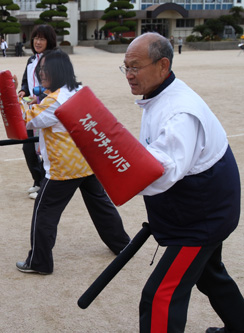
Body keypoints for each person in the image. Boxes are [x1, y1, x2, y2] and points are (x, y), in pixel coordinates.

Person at [121, 32, 244, 333]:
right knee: (210, 274)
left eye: (135, 66)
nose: (129, 75)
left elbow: (163, 169)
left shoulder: (180, 112)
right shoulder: (160, 94)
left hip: (201, 219)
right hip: (205, 207)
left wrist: (117, 170)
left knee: (160, 295)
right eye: (125, 67)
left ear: (163, 65)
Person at [15, 50, 131, 275]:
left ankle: (39, 262)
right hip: (87, 161)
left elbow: (27, 121)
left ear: (57, 70)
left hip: (64, 168)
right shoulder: (77, 91)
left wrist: (16, 99)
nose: (40, 73)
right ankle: (123, 245)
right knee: (101, 206)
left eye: (44, 69)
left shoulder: (53, 101)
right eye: (39, 69)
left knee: (44, 211)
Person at [17, 25, 56, 199]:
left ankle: (45, 185)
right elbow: (26, 81)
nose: (38, 42)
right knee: (28, 148)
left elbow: (56, 85)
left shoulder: (54, 59)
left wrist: (38, 95)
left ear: (49, 41)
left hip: (47, 110)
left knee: (46, 149)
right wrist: (24, 91)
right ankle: (38, 180)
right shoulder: (32, 60)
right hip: (32, 109)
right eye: (35, 38)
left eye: (42, 38)